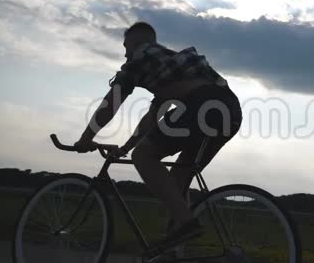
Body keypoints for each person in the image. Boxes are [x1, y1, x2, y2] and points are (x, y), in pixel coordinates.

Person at [74, 22, 242, 243]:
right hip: (229, 110)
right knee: (177, 180)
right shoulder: (169, 69)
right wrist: (125, 148)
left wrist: (85, 139)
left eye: (126, 47)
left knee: (143, 156)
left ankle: (187, 224)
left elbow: (113, 100)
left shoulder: (141, 57)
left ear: (136, 44)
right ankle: (173, 246)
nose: (125, 54)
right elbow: (152, 119)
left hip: (203, 106)